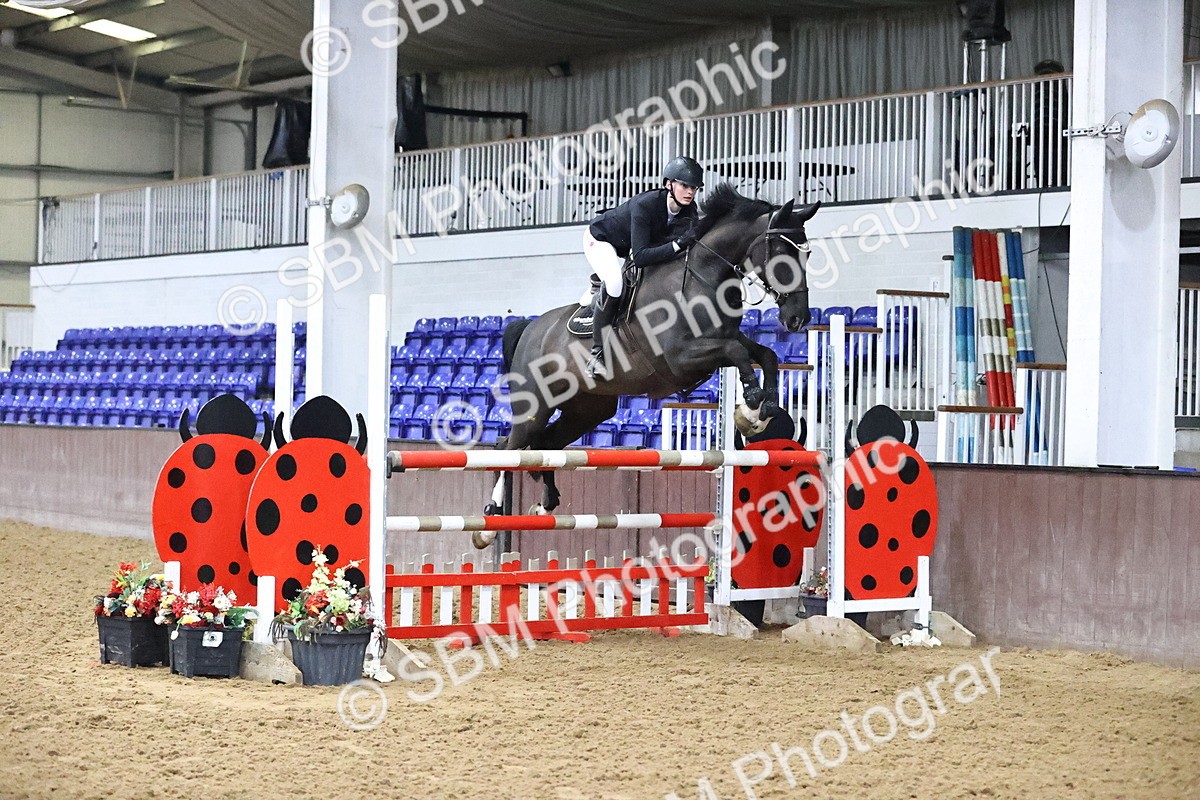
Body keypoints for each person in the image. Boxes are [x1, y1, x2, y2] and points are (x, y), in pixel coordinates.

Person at [583, 155, 704, 379]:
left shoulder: (689, 209)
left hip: (628, 245)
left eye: (694, 188)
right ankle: (597, 355)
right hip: (601, 239)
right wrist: (678, 244)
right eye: (685, 186)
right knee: (615, 284)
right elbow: (640, 257)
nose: (690, 192)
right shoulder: (645, 205)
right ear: (668, 184)